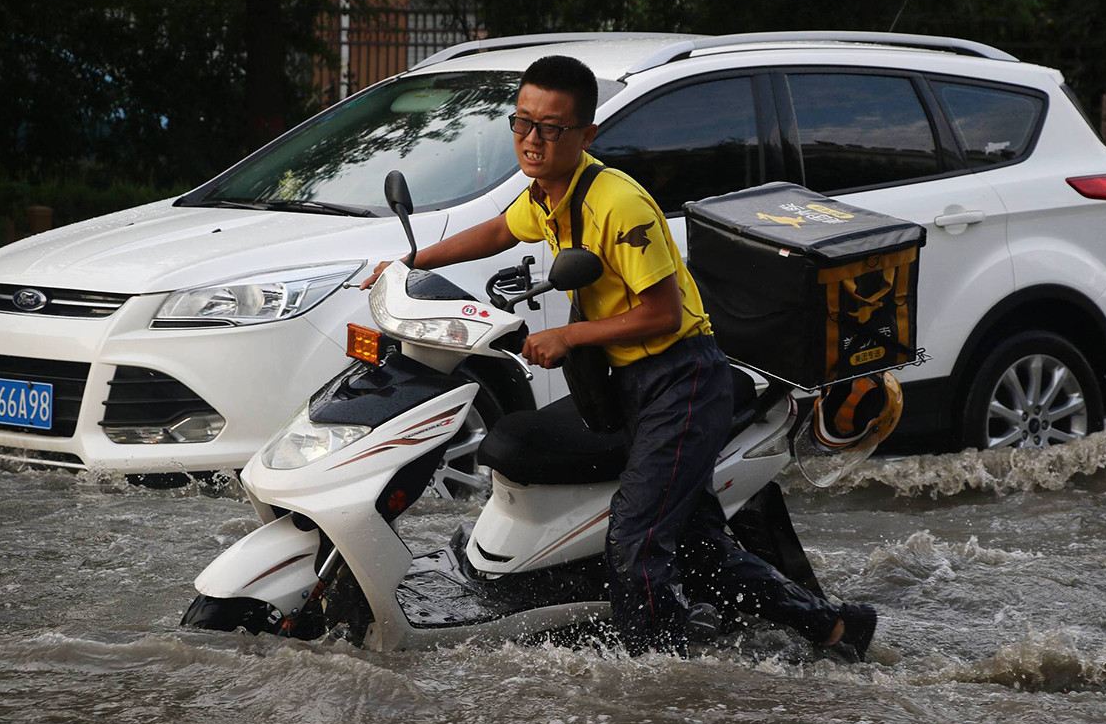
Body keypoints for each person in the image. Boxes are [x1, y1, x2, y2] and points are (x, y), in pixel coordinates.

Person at [362, 55, 875, 658]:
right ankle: (833, 627)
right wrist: (413, 263)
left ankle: (657, 688)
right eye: (522, 123)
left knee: (634, 546)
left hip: (681, 384)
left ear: (586, 135)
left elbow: (662, 314)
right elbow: (503, 229)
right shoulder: (553, 194)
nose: (532, 140)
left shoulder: (618, 205)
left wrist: (569, 338)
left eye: (551, 129)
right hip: (627, 385)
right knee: (698, 546)